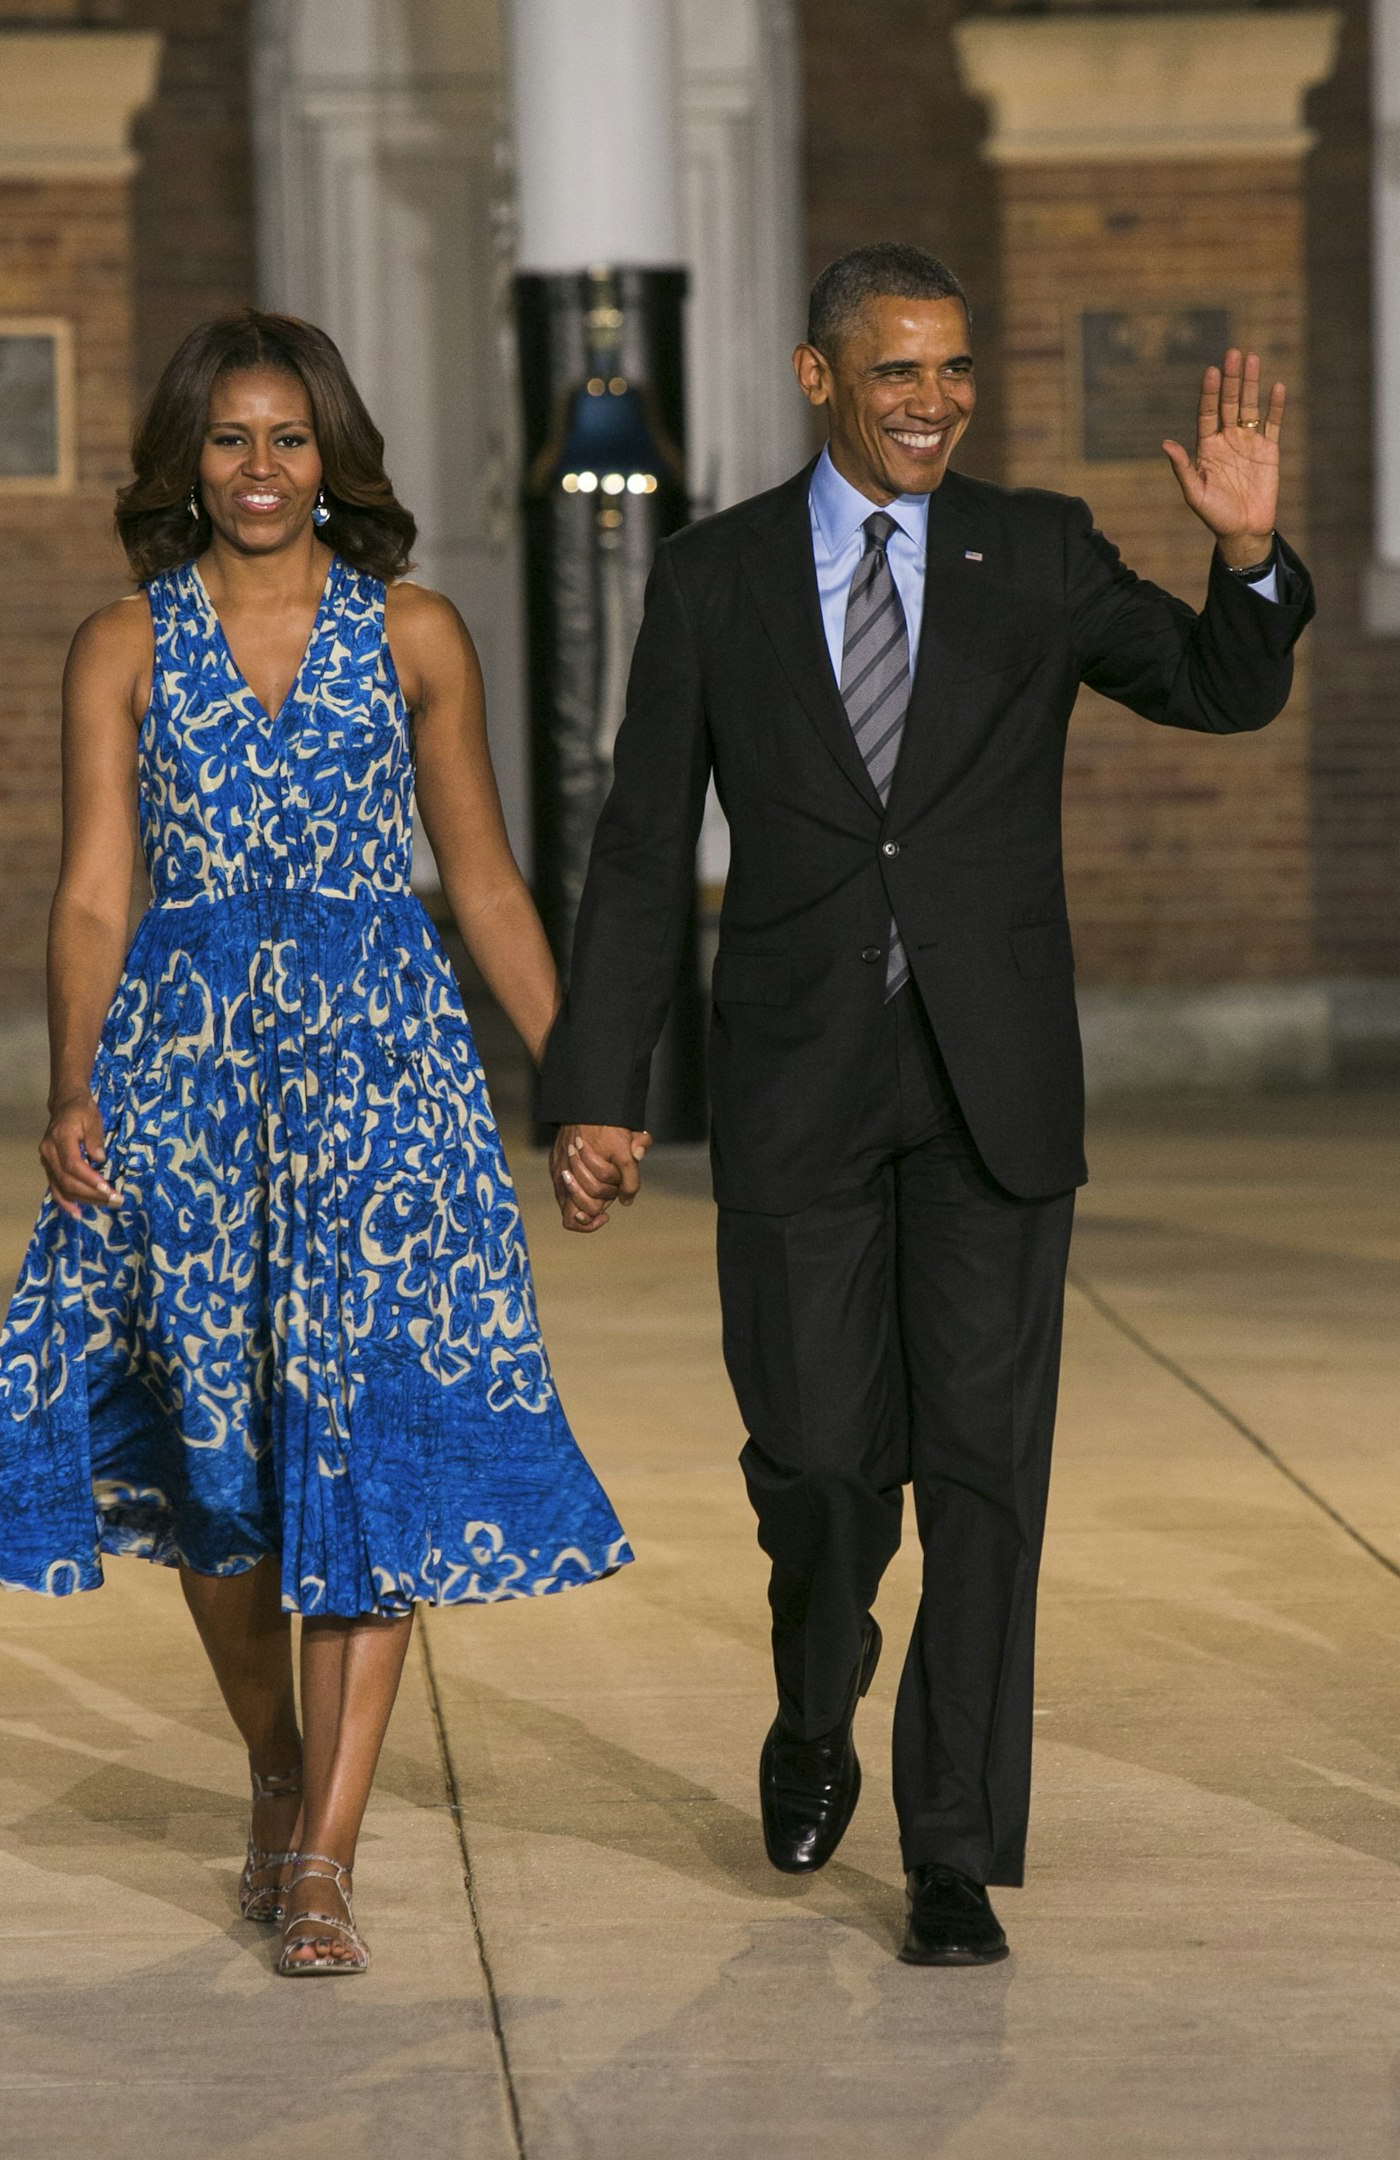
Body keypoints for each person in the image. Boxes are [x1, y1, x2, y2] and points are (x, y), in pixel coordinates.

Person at [539, 244, 1314, 1966]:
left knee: (982, 1475)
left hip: (994, 1087)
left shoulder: (1031, 552)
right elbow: (644, 843)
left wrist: (1247, 555)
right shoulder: (716, 575)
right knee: (819, 1468)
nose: (933, 402)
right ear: (821, 377)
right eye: (898, 372)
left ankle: (952, 1845)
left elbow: (1217, 686)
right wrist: (602, 1088)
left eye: (954, 371)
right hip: (799, 1078)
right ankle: (817, 1701)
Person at [0, 310, 631, 1977]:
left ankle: (326, 1850)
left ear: (334, 453)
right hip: (183, 1083)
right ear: (189, 457)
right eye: (231, 440)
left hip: (382, 1088)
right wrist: (70, 1084)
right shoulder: (123, 643)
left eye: (290, 439)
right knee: (219, 1477)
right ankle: (276, 1759)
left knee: (369, 1450)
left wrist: (584, 1079)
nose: (262, 470)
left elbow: (480, 879)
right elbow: (97, 883)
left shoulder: (415, 633)